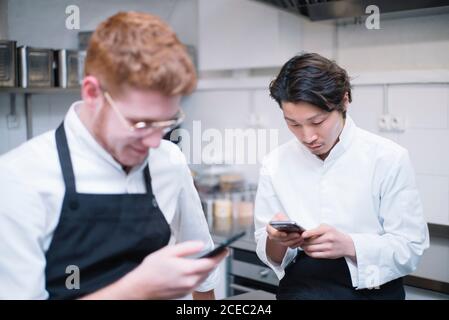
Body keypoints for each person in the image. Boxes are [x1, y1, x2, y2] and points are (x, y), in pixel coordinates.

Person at [0, 11, 226, 300]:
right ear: (92, 92)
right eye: (140, 123)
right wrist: (137, 289)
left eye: (167, 122)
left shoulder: (168, 160)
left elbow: (201, 264)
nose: (156, 141)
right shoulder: (19, 179)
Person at [254, 53, 429, 300]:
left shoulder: (388, 158)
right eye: (293, 124)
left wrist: (349, 245)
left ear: (344, 101)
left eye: (318, 121)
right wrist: (279, 241)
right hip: (301, 292)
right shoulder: (275, 163)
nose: (307, 136)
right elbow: (267, 250)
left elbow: (410, 248)